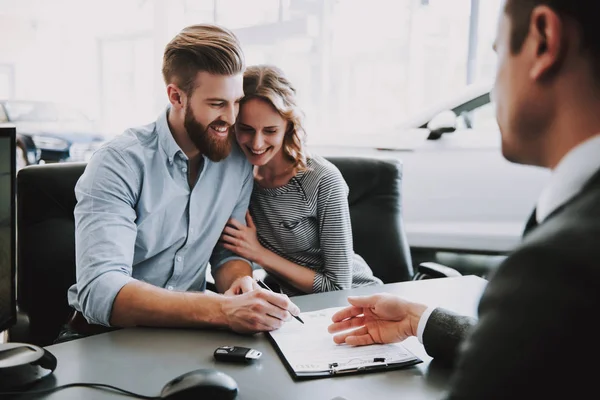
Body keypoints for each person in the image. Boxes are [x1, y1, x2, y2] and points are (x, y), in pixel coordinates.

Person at [328, 0, 600, 398]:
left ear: (543, 40)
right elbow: (553, 355)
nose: (494, 88)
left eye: (498, 55)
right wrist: (420, 320)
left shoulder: (561, 266)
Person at [60, 24, 300, 342]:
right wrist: (221, 310)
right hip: (105, 336)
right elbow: (100, 289)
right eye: (217, 104)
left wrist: (240, 285)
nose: (231, 118)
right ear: (176, 96)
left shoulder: (238, 162)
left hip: (190, 334)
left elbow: (227, 253)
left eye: (236, 101)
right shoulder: (118, 163)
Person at [219, 65, 382, 296]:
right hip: (289, 302)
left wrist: (260, 254)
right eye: (246, 129)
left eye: (270, 130)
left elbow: (337, 286)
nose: (256, 143)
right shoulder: (239, 177)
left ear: (288, 126)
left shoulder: (323, 180)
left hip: (353, 299)